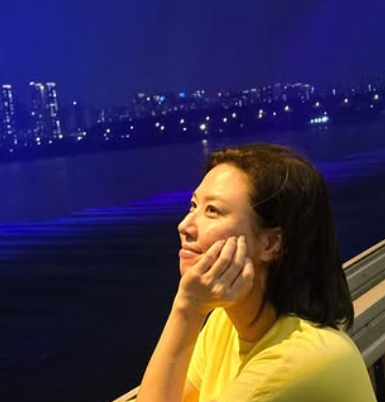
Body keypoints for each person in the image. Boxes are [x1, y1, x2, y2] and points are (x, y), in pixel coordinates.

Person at [137, 143, 376, 402]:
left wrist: (187, 308)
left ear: (270, 244)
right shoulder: (224, 323)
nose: (185, 225)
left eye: (212, 211)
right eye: (193, 206)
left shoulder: (295, 362)